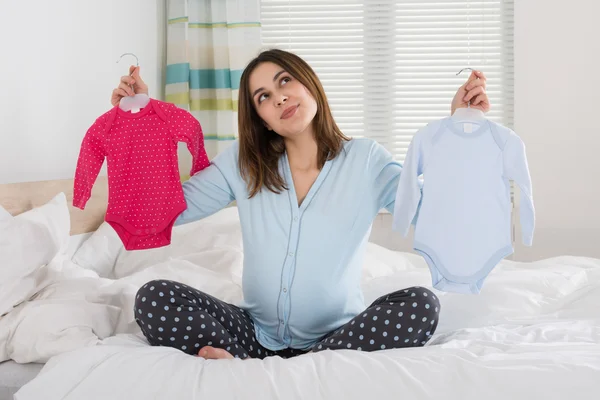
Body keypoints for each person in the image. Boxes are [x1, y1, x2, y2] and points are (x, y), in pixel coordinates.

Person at [112, 49, 490, 360]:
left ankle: (303, 362)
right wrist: (136, 123)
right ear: (261, 118)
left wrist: (461, 129)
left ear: (309, 83)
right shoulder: (244, 163)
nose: (277, 97)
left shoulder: (366, 160)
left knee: (421, 304)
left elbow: (432, 216)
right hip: (254, 334)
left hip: (340, 334)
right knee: (153, 297)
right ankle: (256, 363)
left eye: (284, 81)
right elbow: (166, 208)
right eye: (262, 97)